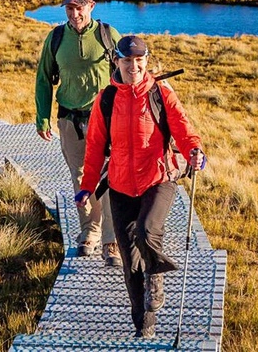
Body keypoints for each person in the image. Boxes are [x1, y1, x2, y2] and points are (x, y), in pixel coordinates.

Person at [76, 35, 207, 339]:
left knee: (147, 231)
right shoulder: (106, 99)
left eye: (139, 60)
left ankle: (157, 274)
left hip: (157, 179)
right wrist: (87, 186)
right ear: (117, 62)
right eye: (127, 60)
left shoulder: (161, 95)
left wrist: (194, 151)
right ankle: (143, 326)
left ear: (146, 61)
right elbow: (95, 146)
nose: (133, 66)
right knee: (130, 261)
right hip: (121, 185)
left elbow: (184, 130)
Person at [35, 0, 122, 265]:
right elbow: (44, 78)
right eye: (70, 8)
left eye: (79, 8)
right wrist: (43, 116)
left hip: (105, 122)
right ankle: (89, 234)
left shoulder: (109, 36)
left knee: (108, 179)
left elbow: (128, 76)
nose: (74, 14)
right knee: (81, 177)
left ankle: (111, 240)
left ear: (91, 7)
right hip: (70, 121)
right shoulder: (56, 38)